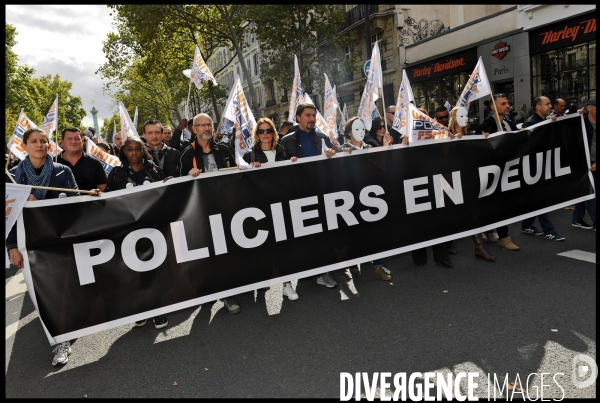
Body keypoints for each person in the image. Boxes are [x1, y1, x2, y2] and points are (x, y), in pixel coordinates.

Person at [5, 128, 84, 367]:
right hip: (30, 244)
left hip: (60, 240)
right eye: (34, 141)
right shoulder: (13, 177)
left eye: (44, 141)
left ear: (49, 145)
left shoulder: (63, 171)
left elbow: (76, 206)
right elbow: (8, 216)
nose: (39, 145)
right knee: (44, 293)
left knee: (63, 288)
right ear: (24, 146)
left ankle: (64, 336)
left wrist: (44, 205)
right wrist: (11, 247)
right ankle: (59, 340)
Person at [105, 136, 172, 328]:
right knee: (133, 272)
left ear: (143, 150)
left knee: (154, 271)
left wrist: (170, 184)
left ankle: (157, 309)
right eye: (129, 149)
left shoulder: (154, 170)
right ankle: (141, 308)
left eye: (137, 149)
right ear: (124, 151)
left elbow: (165, 197)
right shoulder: (116, 174)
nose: (134, 153)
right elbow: (108, 202)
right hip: (127, 232)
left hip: (153, 231)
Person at [179, 113, 241, 314]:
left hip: (227, 209)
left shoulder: (223, 149)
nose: (207, 128)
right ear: (194, 129)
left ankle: (229, 292)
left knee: (229, 251)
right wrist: (188, 176)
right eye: (202, 125)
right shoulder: (187, 154)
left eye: (209, 124)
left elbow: (234, 175)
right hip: (202, 213)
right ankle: (215, 291)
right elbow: (179, 187)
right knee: (210, 254)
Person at [240, 117, 300, 300]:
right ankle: (263, 278)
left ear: (274, 133)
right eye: (261, 131)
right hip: (260, 209)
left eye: (268, 131)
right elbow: (242, 184)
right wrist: (249, 169)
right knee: (263, 246)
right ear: (256, 134)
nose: (265, 134)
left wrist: (294, 164)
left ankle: (287, 284)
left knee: (284, 246)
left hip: (282, 206)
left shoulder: (283, 152)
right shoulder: (248, 156)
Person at [280, 103, 338, 288]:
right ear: (298, 117)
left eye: (313, 115)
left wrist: (332, 153)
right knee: (302, 235)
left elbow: (333, 163)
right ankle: (306, 269)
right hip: (297, 195)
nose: (312, 119)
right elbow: (278, 168)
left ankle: (324, 272)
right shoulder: (286, 141)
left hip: (320, 192)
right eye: (308, 115)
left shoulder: (322, 138)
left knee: (323, 234)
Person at [340, 116, 393, 281]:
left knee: (375, 232)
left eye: (363, 128)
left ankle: (378, 266)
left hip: (371, 198)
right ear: (349, 133)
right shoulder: (342, 149)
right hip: (351, 199)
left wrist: (385, 147)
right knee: (355, 233)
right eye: (357, 129)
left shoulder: (370, 146)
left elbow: (382, 167)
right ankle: (355, 261)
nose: (361, 132)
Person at [448, 107, 496, 262]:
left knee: (473, 212)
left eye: (467, 115)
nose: (466, 118)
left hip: (468, 179)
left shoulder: (469, 134)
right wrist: (454, 142)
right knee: (451, 215)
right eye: (462, 115)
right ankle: (448, 244)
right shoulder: (445, 133)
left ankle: (479, 248)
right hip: (451, 183)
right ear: (454, 117)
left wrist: (484, 140)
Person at [475, 93, 521, 251]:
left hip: (506, 171)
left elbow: (523, 136)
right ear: (494, 107)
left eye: (508, 103)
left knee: (498, 205)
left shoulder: (508, 123)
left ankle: (489, 230)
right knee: (498, 204)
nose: (507, 106)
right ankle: (504, 237)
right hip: (491, 174)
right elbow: (475, 148)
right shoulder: (486, 125)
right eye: (503, 103)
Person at [519, 96, 565, 241]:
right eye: (547, 104)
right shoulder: (530, 123)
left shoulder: (545, 121)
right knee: (541, 199)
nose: (550, 106)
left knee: (537, 199)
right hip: (533, 169)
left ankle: (526, 225)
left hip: (542, 166)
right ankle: (549, 230)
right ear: (538, 107)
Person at [572, 96, 596, 231]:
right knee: (591, 192)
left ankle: (577, 219)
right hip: (584, 163)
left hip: (594, 162)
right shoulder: (580, 120)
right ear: (589, 108)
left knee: (585, 192)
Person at [58, 127, 107, 192]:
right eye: (69, 139)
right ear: (62, 142)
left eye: (77, 139)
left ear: (82, 141)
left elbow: (103, 190)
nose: (73, 141)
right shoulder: (53, 162)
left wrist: (97, 192)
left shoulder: (95, 163)